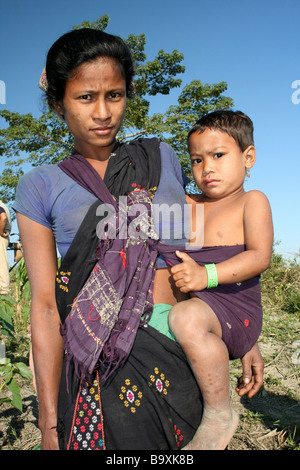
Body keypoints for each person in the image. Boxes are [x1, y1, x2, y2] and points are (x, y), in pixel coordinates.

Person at [13, 28, 264, 451]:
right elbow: (43, 305)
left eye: (114, 95)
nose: (103, 112)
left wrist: (240, 332)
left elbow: (206, 244)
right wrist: (50, 421)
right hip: (96, 370)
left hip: (179, 351)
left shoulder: (161, 157)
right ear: (59, 103)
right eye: (85, 97)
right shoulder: (39, 186)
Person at [163, 110, 273, 450]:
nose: (206, 167)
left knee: (184, 316)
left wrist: (204, 275)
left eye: (218, 155)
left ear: (248, 157)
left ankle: (219, 413)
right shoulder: (191, 206)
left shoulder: (250, 201)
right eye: (196, 160)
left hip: (235, 307)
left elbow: (258, 258)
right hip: (209, 311)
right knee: (181, 316)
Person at [0, 199, 11, 295]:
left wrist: (0, 231)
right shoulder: (4, 205)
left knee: (1, 263)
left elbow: (3, 218)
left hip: (1, 236)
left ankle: (4, 290)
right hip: (4, 236)